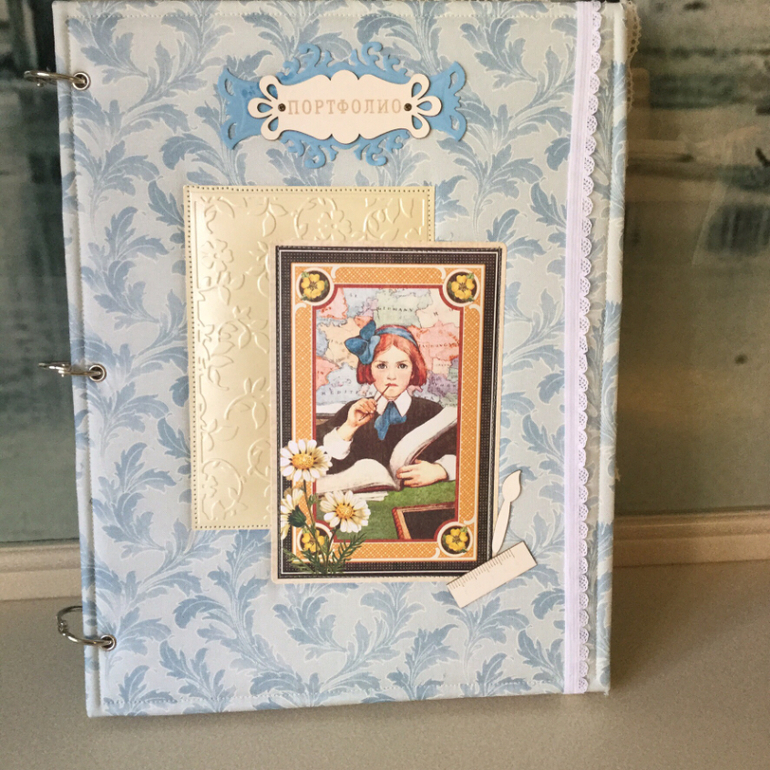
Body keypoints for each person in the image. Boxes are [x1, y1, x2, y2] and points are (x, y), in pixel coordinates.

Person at [318, 320, 456, 486]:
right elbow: (315, 460)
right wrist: (349, 427)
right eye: (382, 366)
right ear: (369, 370)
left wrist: (440, 470)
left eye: (402, 366)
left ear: (413, 371)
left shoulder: (431, 411)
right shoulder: (352, 411)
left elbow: (464, 453)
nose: (391, 376)